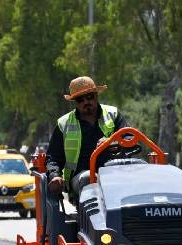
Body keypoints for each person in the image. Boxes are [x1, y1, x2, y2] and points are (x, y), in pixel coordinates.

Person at [45, 76, 128, 204]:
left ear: (96, 96)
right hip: (81, 177)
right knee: (89, 178)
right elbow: (53, 158)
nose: (86, 102)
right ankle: (95, 221)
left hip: (114, 173)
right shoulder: (64, 124)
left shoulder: (114, 114)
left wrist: (112, 142)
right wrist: (55, 176)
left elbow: (130, 138)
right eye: (80, 99)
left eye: (89, 97)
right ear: (75, 102)